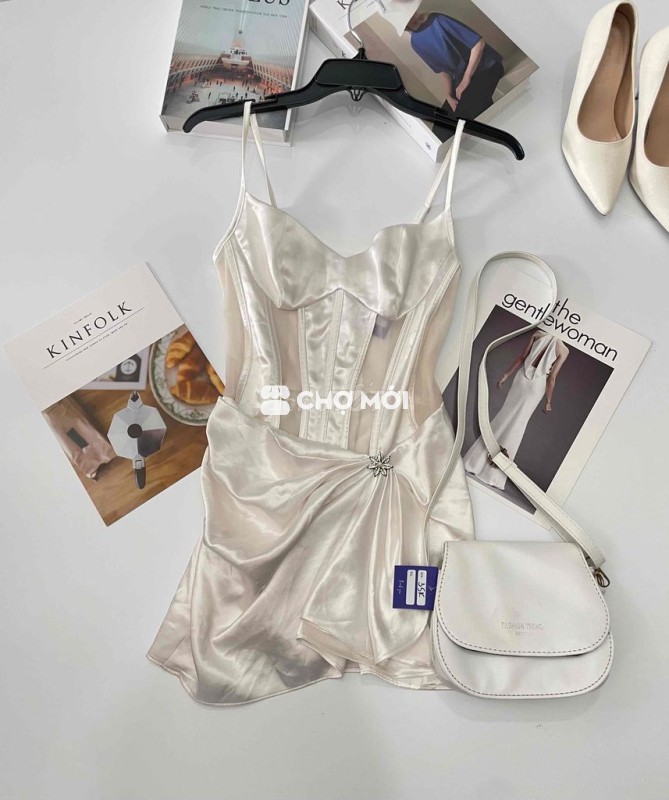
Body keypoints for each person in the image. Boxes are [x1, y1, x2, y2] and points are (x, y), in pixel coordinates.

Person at [404, 12, 504, 120]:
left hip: (487, 67)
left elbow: (478, 44)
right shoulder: (415, 43)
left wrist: (466, 79)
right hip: (461, 80)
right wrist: (448, 95)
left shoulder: (439, 20)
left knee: (467, 113)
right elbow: (443, 70)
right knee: (443, 122)